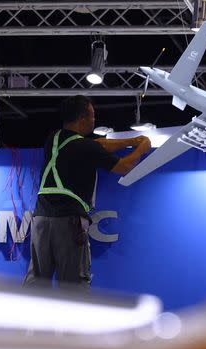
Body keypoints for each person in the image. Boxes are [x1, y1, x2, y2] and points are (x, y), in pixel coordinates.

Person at [24, 95, 151, 288]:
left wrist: (131, 140)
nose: (94, 120)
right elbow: (124, 166)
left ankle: (26, 318)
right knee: (74, 285)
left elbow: (98, 145)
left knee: (36, 283)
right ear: (82, 118)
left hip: (40, 220)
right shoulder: (86, 147)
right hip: (69, 223)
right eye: (92, 116)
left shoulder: (54, 138)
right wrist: (141, 148)